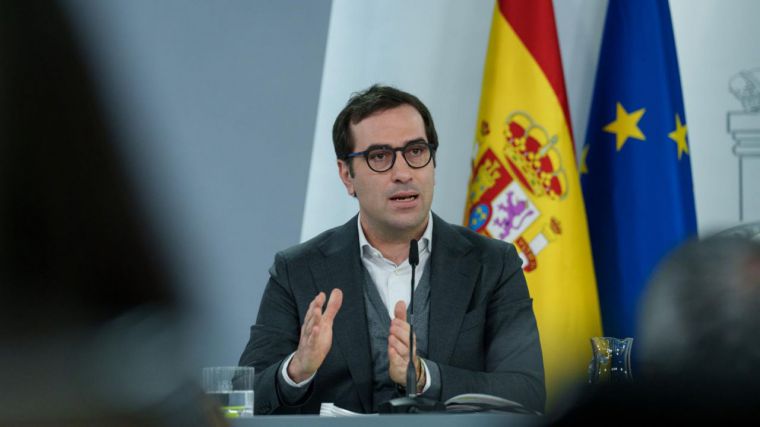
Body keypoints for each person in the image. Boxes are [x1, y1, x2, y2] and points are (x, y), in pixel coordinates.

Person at [239, 85, 545, 414]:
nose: (403, 173)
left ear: (433, 163)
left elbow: (527, 392)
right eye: (380, 157)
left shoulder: (492, 264)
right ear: (347, 176)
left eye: (416, 151)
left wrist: (425, 377)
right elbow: (245, 394)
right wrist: (297, 370)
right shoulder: (298, 270)